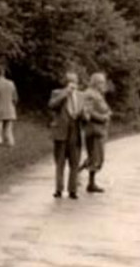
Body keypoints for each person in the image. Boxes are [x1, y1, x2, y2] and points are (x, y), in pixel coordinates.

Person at [48, 69, 85, 199]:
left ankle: (73, 190)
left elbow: (85, 115)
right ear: (65, 83)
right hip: (61, 132)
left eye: (75, 81)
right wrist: (65, 93)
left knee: (75, 162)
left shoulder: (81, 95)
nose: (73, 84)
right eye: (70, 81)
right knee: (60, 162)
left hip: (75, 131)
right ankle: (58, 189)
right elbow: (52, 105)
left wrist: (83, 115)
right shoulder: (57, 93)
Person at [80, 72, 113, 193]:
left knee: (95, 157)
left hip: (99, 130)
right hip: (94, 129)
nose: (104, 84)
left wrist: (107, 113)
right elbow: (88, 112)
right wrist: (103, 117)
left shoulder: (98, 94)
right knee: (96, 157)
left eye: (104, 82)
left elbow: (103, 108)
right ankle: (89, 182)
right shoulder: (89, 94)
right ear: (95, 82)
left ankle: (82, 177)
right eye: (101, 82)